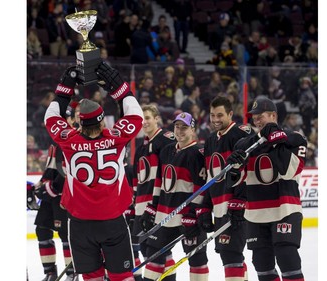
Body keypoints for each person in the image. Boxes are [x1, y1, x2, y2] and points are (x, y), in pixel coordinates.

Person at [44, 62, 143, 281]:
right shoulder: (115, 138)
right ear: (102, 122)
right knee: (123, 276)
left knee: (91, 278)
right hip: (112, 220)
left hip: (80, 223)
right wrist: (119, 87)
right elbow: (135, 114)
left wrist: (65, 87)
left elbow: (51, 117)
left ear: (80, 123)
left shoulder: (68, 140)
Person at [226, 96, 307, 281]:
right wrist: (234, 168)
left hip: (284, 210)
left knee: (288, 260)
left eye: (260, 115)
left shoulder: (294, 139)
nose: (256, 120)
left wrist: (275, 140)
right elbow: (235, 183)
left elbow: (289, 171)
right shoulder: (244, 145)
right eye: (254, 116)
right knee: (262, 265)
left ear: (273, 115)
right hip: (255, 214)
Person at [140, 112, 209, 281]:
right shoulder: (166, 150)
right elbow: (158, 182)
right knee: (153, 254)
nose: (179, 131)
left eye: (184, 128)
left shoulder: (197, 153)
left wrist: (193, 214)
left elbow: (201, 188)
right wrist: (152, 207)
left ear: (193, 130)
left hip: (187, 217)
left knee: (197, 259)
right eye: (177, 127)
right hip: (164, 215)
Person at [195, 96, 254, 281]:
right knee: (229, 255)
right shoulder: (211, 140)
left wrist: (239, 202)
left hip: (238, 209)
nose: (215, 119)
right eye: (212, 115)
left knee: (231, 256)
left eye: (220, 115)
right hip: (220, 208)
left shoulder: (242, 134)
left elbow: (250, 172)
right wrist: (206, 207)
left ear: (230, 114)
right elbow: (211, 178)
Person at [127, 104, 176, 281]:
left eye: (147, 118)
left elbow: (168, 175)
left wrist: (157, 205)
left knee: (156, 251)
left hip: (157, 206)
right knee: (151, 251)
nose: (144, 122)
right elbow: (137, 182)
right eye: (141, 119)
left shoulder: (166, 140)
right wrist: (134, 207)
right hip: (142, 207)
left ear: (156, 119)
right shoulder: (141, 147)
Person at [32, 105, 80, 281]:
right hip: (51, 195)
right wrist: (38, 185)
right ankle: (50, 273)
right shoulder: (55, 140)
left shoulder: (74, 138)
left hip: (64, 196)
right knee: (42, 230)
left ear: (71, 120)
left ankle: (71, 274)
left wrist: (52, 189)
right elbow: (52, 169)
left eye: (64, 119)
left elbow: (71, 171)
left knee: (65, 235)